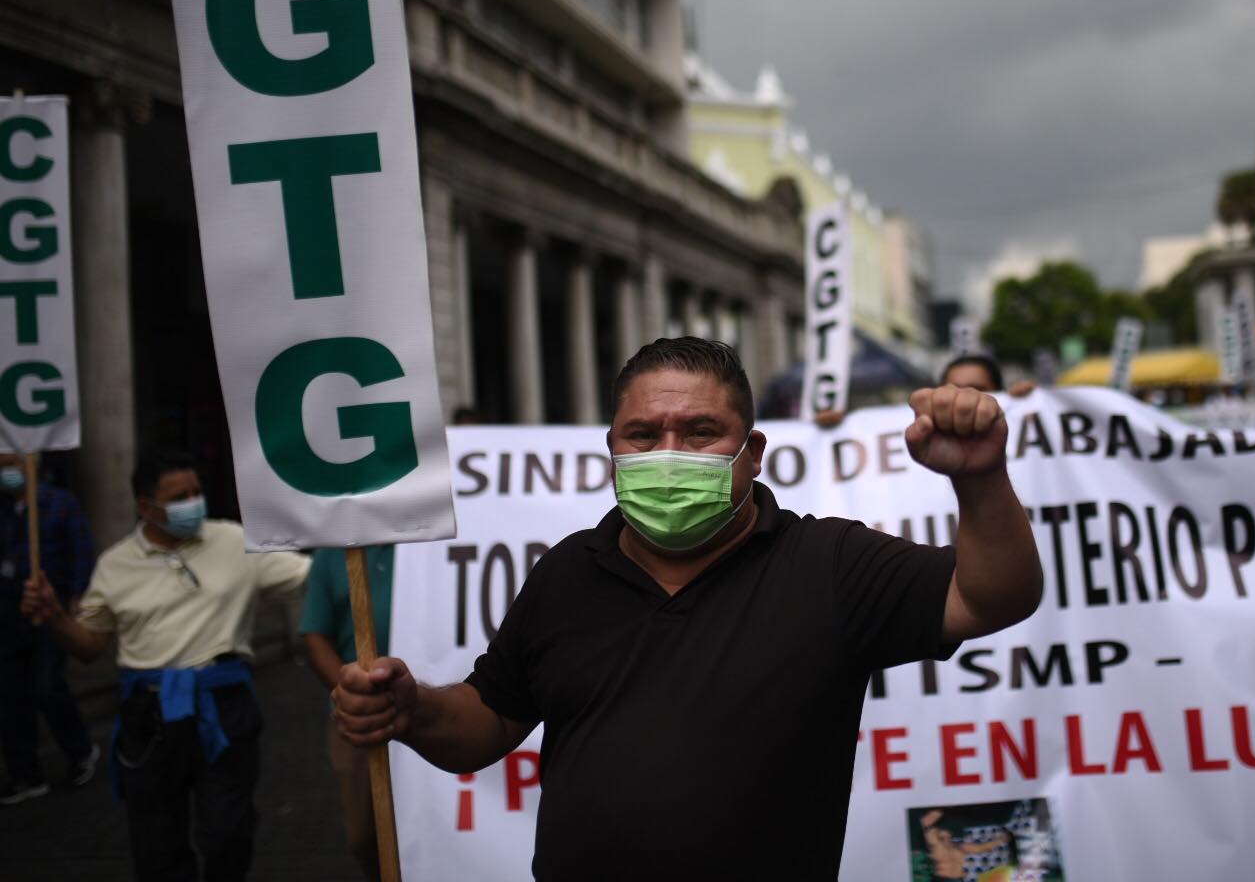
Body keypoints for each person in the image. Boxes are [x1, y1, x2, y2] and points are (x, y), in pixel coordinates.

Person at [333, 337, 1043, 879]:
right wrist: (411, 710)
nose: (668, 454)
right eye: (644, 436)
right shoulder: (567, 574)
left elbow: (992, 597)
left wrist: (980, 481)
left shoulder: (829, 564)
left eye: (701, 432)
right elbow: (490, 719)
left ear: (753, 451)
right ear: (613, 447)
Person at [19, 447, 310, 882]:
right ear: (145, 507)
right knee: (157, 840)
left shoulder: (234, 541)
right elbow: (88, 646)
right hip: (148, 717)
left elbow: (312, 577)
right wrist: (56, 617)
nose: (193, 503)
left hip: (223, 706)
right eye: (179, 497)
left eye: (196, 491)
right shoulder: (115, 565)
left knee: (229, 830)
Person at [0, 453, 97, 804]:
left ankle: (80, 750)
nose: (5, 473)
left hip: (49, 613)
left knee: (47, 686)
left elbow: (81, 550)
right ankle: (25, 773)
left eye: (10, 464)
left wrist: (77, 596)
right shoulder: (4, 509)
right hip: (9, 614)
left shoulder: (59, 504)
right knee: (11, 695)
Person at [299, 545, 394, 882]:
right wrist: (354, 697)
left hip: (441, 709)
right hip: (361, 722)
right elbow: (314, 638)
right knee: (366, 834)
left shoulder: (434, 544)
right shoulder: (332, 553)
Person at [811, 352, 1034, 428]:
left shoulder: (1027, 422)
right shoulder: (922, 440)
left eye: (978, 390)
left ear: (1001, 392)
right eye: (954, 390)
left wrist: (1033, 405)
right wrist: (843, 432)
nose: (964, 399)